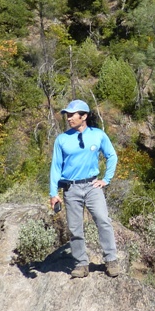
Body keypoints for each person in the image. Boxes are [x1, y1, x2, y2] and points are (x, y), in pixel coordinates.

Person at [49, 99, 120, 278]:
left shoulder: (98, 135)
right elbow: (56, 167)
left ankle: (111, 260)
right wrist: (53, 193)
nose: (69, 118)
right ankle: (81, 264)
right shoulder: (62, 139)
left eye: (73, 115)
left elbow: (112, 156)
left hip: (92, 186)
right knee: (75, 228)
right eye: (67, 115)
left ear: (84, 116)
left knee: (103, 220)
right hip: (71, 189)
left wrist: (106, 179)